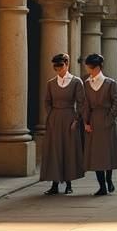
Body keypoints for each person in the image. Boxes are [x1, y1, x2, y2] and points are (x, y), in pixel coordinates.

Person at [39, 53, 85, 195]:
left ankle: (69, 184)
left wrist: (76, 120)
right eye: (55, 66)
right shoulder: (51, 83)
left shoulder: (76, 82)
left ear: (67, 64)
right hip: (54, 118)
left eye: (60, 65)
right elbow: (47, 101)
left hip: (70, 117)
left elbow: (82, 102)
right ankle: (54, 184)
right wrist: (51, 115)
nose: (58, 68)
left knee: (68, 150)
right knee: (54, 150)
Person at [82, 53, 117, 196]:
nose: (87, 70)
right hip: (93, 121)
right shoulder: (86, 84)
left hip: (107, 122)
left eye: (89, 67)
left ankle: (109, 180)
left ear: (97, 67)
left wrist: (109, 119)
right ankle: (102, 186)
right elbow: (85, 105)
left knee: (107, 154)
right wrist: (86, 122)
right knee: (96, 156)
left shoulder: (111, 83)